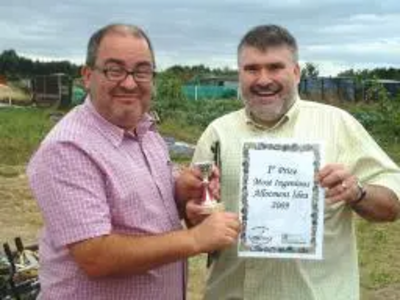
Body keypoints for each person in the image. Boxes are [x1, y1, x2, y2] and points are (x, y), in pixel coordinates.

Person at [27, 23, 240, 300]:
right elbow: (96, 256)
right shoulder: (68, 148)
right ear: (88, 75)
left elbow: (142, 209)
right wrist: (196, 239)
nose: (129, 83)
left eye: (141, 71)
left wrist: (180, 191)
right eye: (114, 70)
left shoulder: (145, 130)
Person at [188, 24, 400, 300]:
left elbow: (393, 203)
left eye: (275, 67)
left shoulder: (337, 125)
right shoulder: (218, 133)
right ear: (239, 74)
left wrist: (357, 191)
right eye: (252, 69)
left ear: (296, 72)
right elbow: (195, 219)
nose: (263, 79)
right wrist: (194, 216)